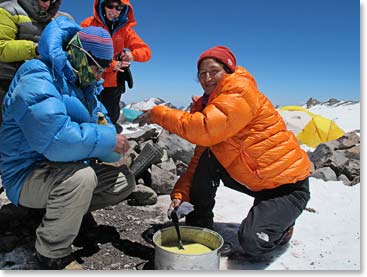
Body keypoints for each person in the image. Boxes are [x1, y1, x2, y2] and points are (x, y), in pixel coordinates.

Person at [138, 46, 311, 259]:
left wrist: (157, 113)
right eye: (202, 74)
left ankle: (283, 229)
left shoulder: (240, 91)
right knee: (208, 158)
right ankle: (199, 224)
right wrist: (181, 194)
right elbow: (199, 159)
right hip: (257, 181)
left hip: (287, 188)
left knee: (252, 242)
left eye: (214, 71)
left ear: (227, 71)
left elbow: (204, 130)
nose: (207, 78)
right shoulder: (210, 104)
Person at [0, 16, 136, 269]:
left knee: (122, 181)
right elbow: (57, 139)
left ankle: (64, 214)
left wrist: (117, 150)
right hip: (26, 173)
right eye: (98, 66)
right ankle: (51, 252)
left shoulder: (83, 85)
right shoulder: (37, 77)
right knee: (81, 178)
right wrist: (107, 140)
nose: (100, 74)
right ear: (80, 54)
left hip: (59, 168)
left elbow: (100, 122)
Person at [81, 0, 152, 134]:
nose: (114, 11)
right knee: (89, 117)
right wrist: (113, 64)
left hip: (113, 85)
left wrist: (132, 55)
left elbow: (146, 52)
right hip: (91, 81)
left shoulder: (124, 30)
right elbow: (81, 54)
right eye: (110, 6)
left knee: (110, 118)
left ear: (123, 9)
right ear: (102, 5)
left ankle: (106, 146)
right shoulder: (88, 24)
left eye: (118, 8)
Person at [0, 0, 62, 125]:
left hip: (32, 83)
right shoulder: (8, 10)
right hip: (5, 81)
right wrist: (35, 49)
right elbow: (2, 47)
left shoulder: (52, 21)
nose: (47, 4)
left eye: (52, 0)